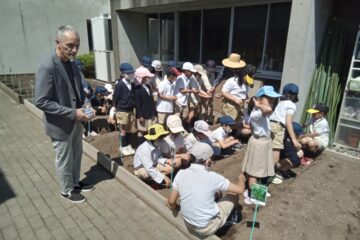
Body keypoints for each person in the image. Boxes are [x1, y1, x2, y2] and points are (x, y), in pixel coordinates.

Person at [35, 25, 95, 203]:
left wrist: (86, 103)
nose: (74, 50)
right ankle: (67, 190)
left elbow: (78, 89)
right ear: (58, 43)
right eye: (70, 45)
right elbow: (41, 101)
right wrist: (73, 112)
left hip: (76, 120)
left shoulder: (71, 64)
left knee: (76, 154)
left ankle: (75, 182)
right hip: (60, 124)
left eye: (77, 45)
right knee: (64, 158)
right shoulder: (47, 67)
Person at [166, 142, 245, 238]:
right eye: (212, 159)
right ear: (207, 161)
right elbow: (240, 190)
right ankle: (232, 217)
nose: (212, 161)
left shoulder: (181, 173)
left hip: (188, 221)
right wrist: (241, 179)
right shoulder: (213, 177)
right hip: (206, 227)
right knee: (233, 195)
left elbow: (171, 201)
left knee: (217, 193)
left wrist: (176, 208)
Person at [241, 86, 282, 205]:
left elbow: (268, 110)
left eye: (273, 100)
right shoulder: (257, 113)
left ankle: (256, 192)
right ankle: (251, 195)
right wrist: (258, 104)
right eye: (269, 99)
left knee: (259, 169)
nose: (272, 103)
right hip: (259, 143)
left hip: (263, 142)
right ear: (258, 100)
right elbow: (268, 110)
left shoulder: (260, 112)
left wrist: (260, 105)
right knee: (254, 172)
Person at [269, 83, 300, 184]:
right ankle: (269, 176)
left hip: (271, 125)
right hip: (278, 128)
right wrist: (294, 140)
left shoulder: (281, 102)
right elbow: (288, 122)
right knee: (275, 155)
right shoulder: (291, 105)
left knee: (270, 151)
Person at [112, 63, 136, 156]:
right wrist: (115, 108)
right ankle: (123, 146)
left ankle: (128, 145)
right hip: (122, 109)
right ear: (123, 74)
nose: (131, 75)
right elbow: (115, 97)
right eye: (129, 73)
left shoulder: (132, 84)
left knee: (129, 129)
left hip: (130, 109)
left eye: (132, 73)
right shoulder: (120, 84)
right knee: (123, 130)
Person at [221, 53, 248, 122]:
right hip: (231, 105)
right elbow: (224, 92)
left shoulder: (244, 81)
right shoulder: (231, 80)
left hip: (240, 104)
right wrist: (235, 99)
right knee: (229, 122)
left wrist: (246, 98)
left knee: (238, 122)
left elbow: (241, 91)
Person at [134, 66, 157, 145]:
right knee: (141, 130)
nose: (147, 78)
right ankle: (140, 146)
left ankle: (150, 145)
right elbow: (137, 103)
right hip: (143, 114)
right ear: (141, 77)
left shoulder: (148, 86)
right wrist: (140, 115)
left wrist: (155, 112)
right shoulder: (137, 89)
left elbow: (151, 100)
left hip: (151, 113)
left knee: (150, 129)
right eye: (146, 76)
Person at [173, 62, 198, 128]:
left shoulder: (188, 78)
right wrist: (192, 91)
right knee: (176, 118)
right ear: (186, 71)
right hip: (179, 101)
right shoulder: (180, 78)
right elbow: (182, 90)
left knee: (185, 117)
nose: (192, 73)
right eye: (191, 71)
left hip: (184, 101)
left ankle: (181, 129)